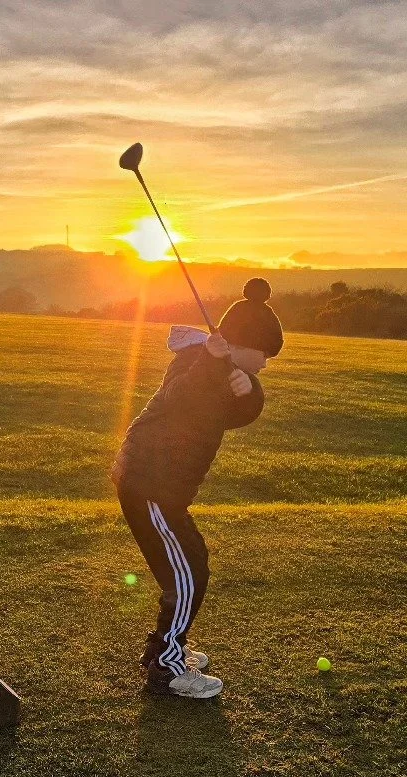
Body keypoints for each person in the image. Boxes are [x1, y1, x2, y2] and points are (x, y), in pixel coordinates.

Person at [111, 278, 284, 698]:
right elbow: (179, 398)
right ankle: (168, 669)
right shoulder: (194, 360)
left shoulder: (226, 371)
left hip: (164, 490)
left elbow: (231, 416)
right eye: (261, 355)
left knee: (192, 567)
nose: (264, 363)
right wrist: (212, 362)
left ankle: (164, 650)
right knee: (186, 578)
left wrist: (249, 389)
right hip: (149, 483)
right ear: (240, 343)